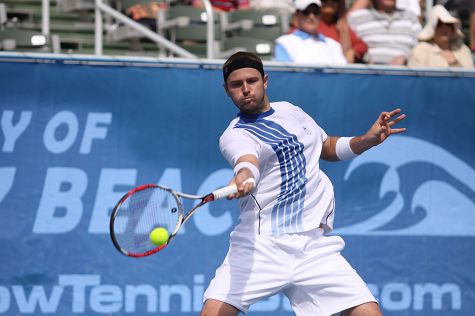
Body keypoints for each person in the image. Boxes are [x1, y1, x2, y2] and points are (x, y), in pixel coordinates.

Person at [200, 51, 407, 316]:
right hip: (260, 246)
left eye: (251, 81)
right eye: (236, 85)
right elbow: (246, 162)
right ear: (226, 90)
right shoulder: (235, 135)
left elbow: (327, 147)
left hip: (313, 246)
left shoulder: (291, 111)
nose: (246, 90)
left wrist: (367, 139)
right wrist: (244, 177)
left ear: (265, 81)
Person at [347, 0, 422, 65]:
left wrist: (405, 58)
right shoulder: (356, 17)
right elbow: (347, 49)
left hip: (404, 75)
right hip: (367, 75)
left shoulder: (411, 18)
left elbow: (420, 48)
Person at [274, 0, 348, 65]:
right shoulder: (284, 43)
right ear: (296, 15)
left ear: (320, 15)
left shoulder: (334, 45)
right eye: (306, 12)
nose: (311, 16)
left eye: (315, 12)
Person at [408, 4, 474, 68]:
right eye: (439, 24)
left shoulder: (463, 50)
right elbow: (415, 78)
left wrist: (454, 63)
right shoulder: (421, 50)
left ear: (453, 28)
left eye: (448, 24)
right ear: (432, 29)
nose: (444, 29)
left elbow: (470, 77)